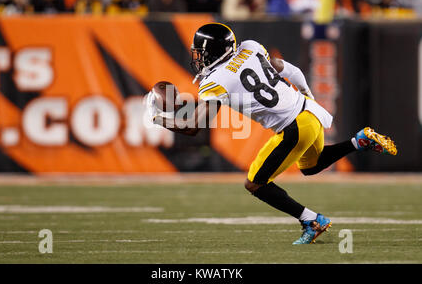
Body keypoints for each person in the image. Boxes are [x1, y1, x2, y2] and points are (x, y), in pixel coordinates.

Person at [146, 23, 398, 245]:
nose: (198, 59)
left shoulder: (214, 81)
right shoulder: (250, 48)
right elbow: (290, 70)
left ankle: (312, 220)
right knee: (311, 166)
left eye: (201, 53)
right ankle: (359, 140)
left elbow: (193, 127)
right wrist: (307, 96)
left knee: (255, 183)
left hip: (294, 127)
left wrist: (158, 118)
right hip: (309, 111)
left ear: (213, 52)